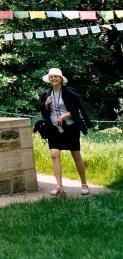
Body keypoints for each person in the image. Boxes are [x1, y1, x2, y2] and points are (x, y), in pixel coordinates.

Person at [40, 67, 92, 197]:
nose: (53, 79)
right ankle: (59, 186)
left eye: (55, 76)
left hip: (70, 128)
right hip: (53, 128)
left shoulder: (69, 93)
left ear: (61, 79)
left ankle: (84, 184)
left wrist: (63, 116)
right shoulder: (47, 93)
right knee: (54, 154)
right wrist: (46, 104)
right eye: (51, 77)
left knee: (76, 154)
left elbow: (76, 110)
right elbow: (43, 111)